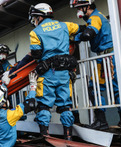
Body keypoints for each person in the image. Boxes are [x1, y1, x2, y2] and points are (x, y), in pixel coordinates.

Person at [28, 3, 82, 139]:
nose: (34, 21)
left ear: (40, 17)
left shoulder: (35, 32)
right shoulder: (65, 25)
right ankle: (68, 135)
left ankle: (45, 135)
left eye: (35, 18)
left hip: (47, 74)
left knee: (44, 105)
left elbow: (36, 54)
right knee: (65, 105)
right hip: (64, 73)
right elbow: (80, 29)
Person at [70, 0, 120, 130]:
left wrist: (75, 38)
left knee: (94, 88)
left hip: (106, 57)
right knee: (116, 89)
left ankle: (101, 121)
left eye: (79, 8)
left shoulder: (95, 18)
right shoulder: (99, 16)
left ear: (87, 6)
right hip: (110, 55)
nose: (78, 11)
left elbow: (88, 34)